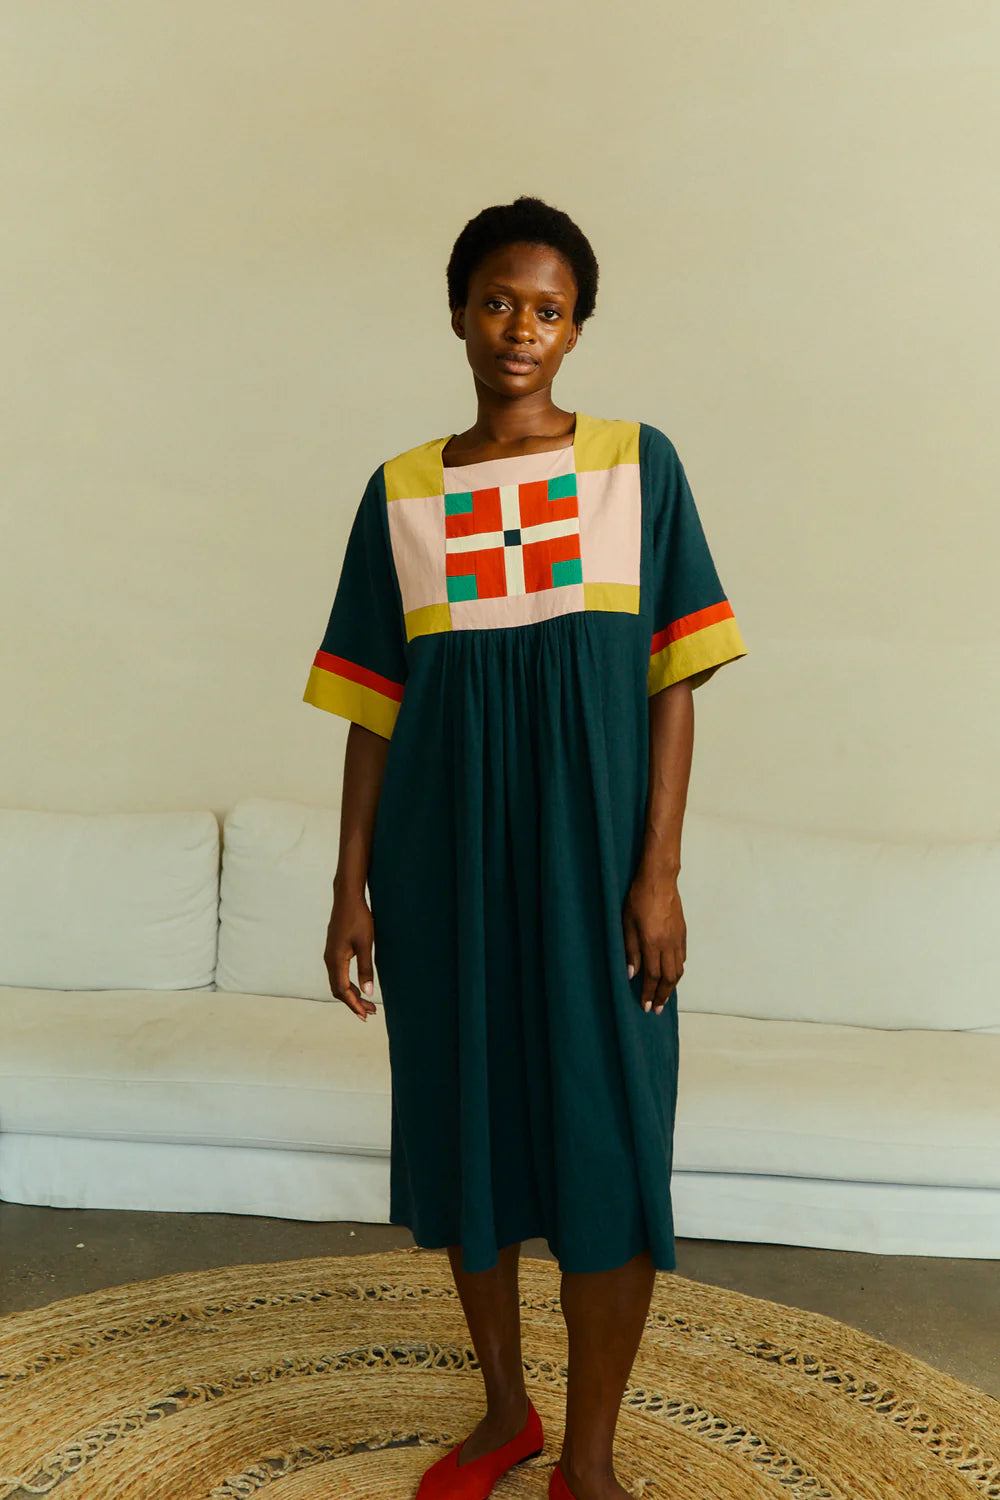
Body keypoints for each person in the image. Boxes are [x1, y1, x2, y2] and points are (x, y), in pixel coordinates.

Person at [302, 195, 748, 1500]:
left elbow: (675, 679)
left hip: (598, 880)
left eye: (548, 309)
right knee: (469, 1136)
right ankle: (506, 1414)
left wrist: (657, 873)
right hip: (440, 876)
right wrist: (349, 884)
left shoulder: (634, 466)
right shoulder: (403, 493)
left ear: (576, 327)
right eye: (499, 301)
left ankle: (590, 1459)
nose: (521, 329)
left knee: (609, 1145)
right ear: (457, 311)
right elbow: (373, 713)